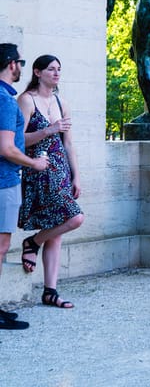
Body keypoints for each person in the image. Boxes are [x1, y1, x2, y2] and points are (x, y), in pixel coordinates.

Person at [17, 55, 84, 309]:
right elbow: (16, 141)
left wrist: (77, 175)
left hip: (62, 172)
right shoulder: (26, 100)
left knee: (57, 231)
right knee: (74, 218)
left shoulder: (61, 102)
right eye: (51, 69)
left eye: (59, 69)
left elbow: (69, 144)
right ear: (37, 72)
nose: (56, 74)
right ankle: (33, 242)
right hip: (39, 172)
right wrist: (48, 130)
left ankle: (50, 291)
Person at [0, 45, 49, 330]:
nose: (21, 67)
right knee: (2, 246)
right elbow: (6, 147)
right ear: (11, 64)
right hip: (5, 181)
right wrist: (33, 163)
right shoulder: (6, 101)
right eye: (20, 62)